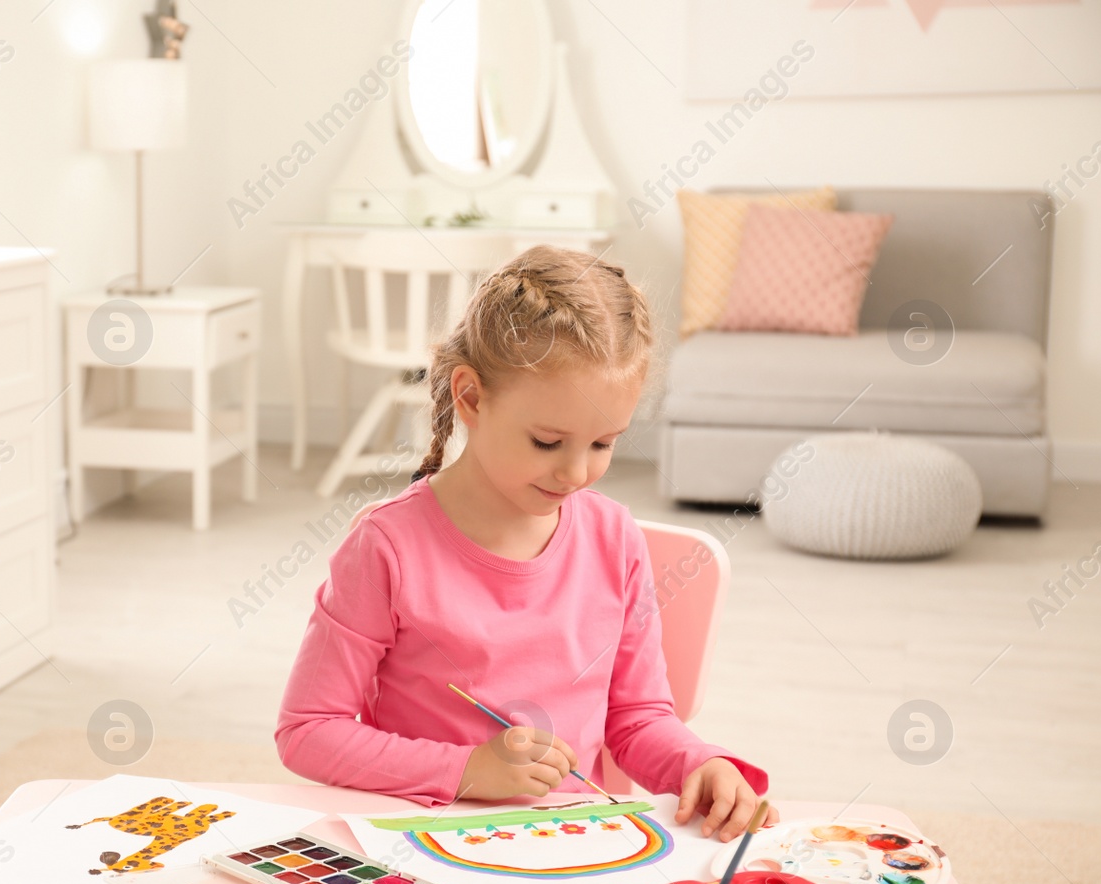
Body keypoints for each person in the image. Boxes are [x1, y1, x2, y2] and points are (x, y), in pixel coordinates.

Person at [274, 246, 774, 842]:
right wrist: (466, 771)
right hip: (422, 845)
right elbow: (308, 730)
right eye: (546, 442)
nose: (576, 474)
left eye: (603, 444)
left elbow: (637, 719)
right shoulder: (386, 547)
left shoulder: (616, 540)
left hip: (567, 846)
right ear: (472, 398)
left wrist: (701, 764)